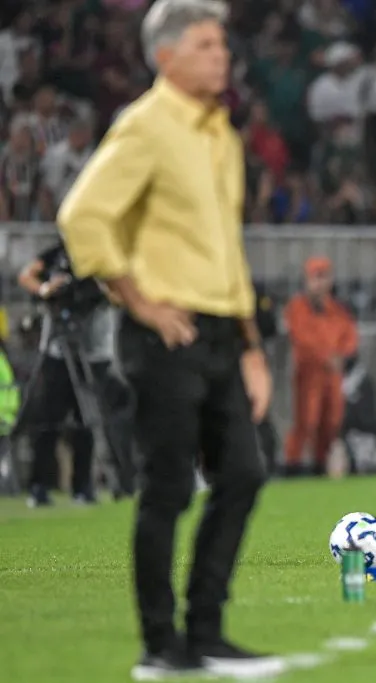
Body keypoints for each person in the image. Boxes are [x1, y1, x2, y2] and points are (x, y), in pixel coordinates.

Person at [56, 0, 278, 679]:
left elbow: (227, 252)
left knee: (243, 471)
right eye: (208, 45)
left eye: (222, 45)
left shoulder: (221, 135)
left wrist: (251, 346)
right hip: (165, 332)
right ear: (166, 56)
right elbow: (83, 215)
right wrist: (141, 301)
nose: (223, 56)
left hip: (218, 330)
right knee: (169, 487)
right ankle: (161, 646)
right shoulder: (147, 126)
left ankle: (205, 633)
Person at [16, 239, 118, 506]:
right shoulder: (58, 253)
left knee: (87, 420)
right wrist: (46, 288)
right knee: (48, 419)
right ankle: (39, 487)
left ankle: (83, 486)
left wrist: (99, 287)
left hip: (93, 350)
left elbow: (121, 290)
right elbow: (26, 275)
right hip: (57, 349)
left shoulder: (104, 251)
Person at [283, 255, 359, 476]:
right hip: (309, 372)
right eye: (315, 277)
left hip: (332, 373)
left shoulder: (336, 309)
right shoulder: (297, 308)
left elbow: (349, 335)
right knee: (306, 420)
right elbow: (301, 338)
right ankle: (293, 465)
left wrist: (342, 356)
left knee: (331, 421)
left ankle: (319, 463)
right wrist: (329, 357)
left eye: (323, 277)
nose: (319, 283)